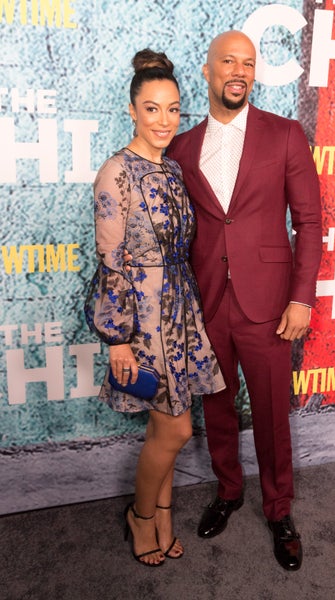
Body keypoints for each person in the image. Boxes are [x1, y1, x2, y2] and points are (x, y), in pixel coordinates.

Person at [167, 31, 322, 571]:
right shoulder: (182, 148)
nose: (239, 71)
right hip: (208, 302)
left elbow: (308, 221)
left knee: (273, 413)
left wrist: (301, 298)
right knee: (217, 407)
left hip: (270, 305)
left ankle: (279, 510)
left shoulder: (285, 134)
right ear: (207, 71)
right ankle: (228, 491)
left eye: (248, 64)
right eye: (228, 61)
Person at [84, 49, 225, 567]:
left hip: (179, 309)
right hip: (141, 319)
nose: (164, 121)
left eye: (173, 109)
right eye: (152, 109)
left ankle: (163, 513)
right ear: (132, 111)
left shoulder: (172, 168)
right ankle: (141, 516)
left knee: (165, 426)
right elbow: (110, 259)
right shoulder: (115, 172)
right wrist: (117, 338)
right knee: (177, 428)